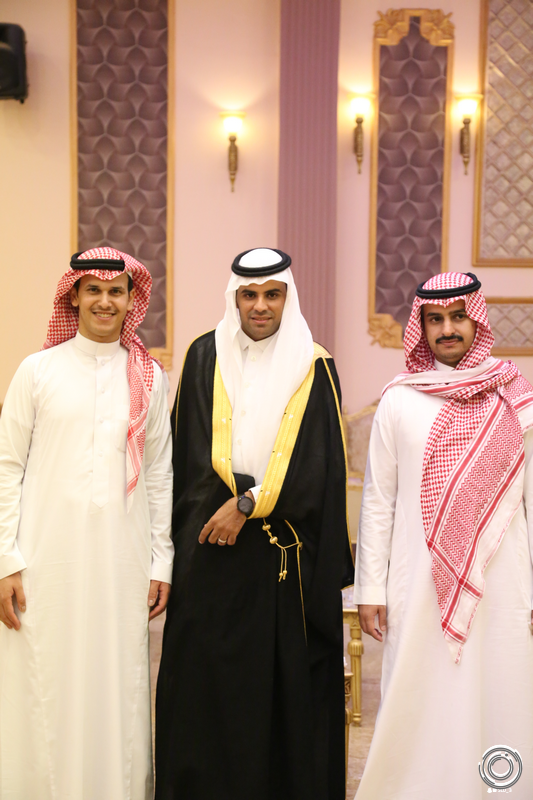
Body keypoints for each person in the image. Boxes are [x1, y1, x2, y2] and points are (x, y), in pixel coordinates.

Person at [155, 247, 354, 800]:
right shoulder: (204, 355)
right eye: (249, 295)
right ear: (234, 298)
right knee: (206, 689)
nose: (260, 305)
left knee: (276, 694)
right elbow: (185, 455)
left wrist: (248, 503)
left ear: (288, 297)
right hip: (210, 554)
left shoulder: (313, 364)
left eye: (272, 294)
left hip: (281, 561)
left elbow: (320, 466)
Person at [0, 247, 174, 799]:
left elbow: (159, 475)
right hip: (43, 560)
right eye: (93, 289)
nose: (105, 301)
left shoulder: (149, 377)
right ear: (73, 296)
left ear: (131, 300)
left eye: (116, 291)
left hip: (123, 561)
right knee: (43, 679)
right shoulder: (37, 371)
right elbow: (6, 467)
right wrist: (5, 560)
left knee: (115, 680)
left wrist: (162, 561)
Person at [355, 272, 533, 799]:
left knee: (499, 691)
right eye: (435, 320)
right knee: (421, 692)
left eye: (458, 317)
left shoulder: (517, 398)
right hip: (418, 582)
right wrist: (370, 588)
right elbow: (378, 501)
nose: (447, 329)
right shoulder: (399, 399)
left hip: (504, 586)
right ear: (422, 327)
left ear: (477, 320)